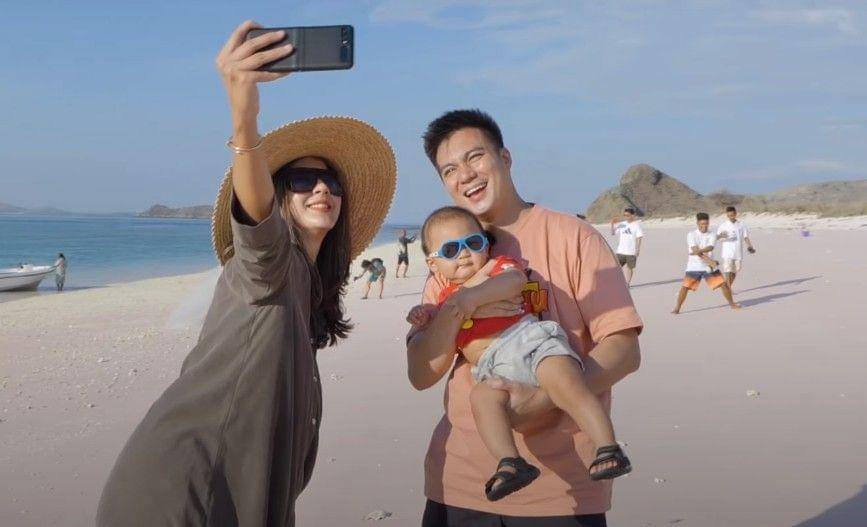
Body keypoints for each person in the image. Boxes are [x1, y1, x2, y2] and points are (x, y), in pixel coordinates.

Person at [96, 20, 396, 527]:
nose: (321, 189)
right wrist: (244, 115)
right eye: (302, 180)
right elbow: (257, 223)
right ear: (279, 198)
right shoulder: (270, 263)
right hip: (184, 493)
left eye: (331, 181)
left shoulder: (306, 287)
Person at [407, 109, 643, 526]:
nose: (466, 175)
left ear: (505, 157)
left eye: (475, 156)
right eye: (449, 169)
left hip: (563, 491)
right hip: (459, 481)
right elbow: (422, 374)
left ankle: (607, 448)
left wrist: (540, 401)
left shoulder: (573, 237)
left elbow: (623, 350)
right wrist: (456, 306)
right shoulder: (450, 256)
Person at [409, 207, 631, 502]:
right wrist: (425, 315)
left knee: (565, 379)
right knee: (483, 399)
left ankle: (607, 446)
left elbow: (514, 281)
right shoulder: (441, 295)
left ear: (486, 245)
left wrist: (472, 297)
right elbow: (425, 355)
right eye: (451, 250)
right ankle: (510, 462)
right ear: (433, 264)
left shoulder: (496, 267)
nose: (464, 254)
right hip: (492, 367)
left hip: (530, 343)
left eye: (473, 243)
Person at [671, 212, 741, 314]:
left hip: (708, 266)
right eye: (702, 224)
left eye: (706, 224)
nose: (704, 226)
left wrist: (699, 252)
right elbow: (695, 249)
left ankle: (732, 304)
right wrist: (710, 260)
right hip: (694, 266)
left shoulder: (712, 234)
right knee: (685, 287)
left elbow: (710, 247)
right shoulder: (691, 234)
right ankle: (677, 308)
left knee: (723, 284)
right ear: (697, 223)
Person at [716, 206, 756, 289]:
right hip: (727, 252)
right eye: (729, 215)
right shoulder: (723, 225)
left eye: (733, 215)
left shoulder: (741, 224)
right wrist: (723, 236)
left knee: (735, 271)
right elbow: (717, 237)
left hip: (738, 252)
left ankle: (728, 287)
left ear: (735, 214)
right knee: (728, 270)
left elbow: (745, 237)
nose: (731, 217)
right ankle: (728, 290)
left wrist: (750, 246)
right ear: (727, 215)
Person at [610, 207, 644, 285]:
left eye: (628, 215)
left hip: (631, 251)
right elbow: (613, 233)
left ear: (633, 215)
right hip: (620, 251)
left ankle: (627, 283)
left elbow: (639, 237)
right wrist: (612, 224)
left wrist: (638, 249)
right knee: (616, 268)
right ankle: (615, 282)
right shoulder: (622, 224)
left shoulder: (636, 225)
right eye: (625, 215)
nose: (626, 217)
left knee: (629, 268)